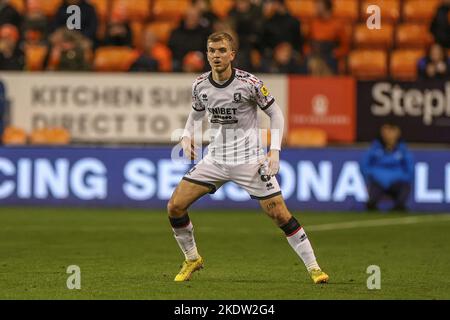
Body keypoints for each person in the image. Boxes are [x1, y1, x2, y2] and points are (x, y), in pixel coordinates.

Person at [167, 32, 329, 284]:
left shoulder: (249, 83)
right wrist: (187, 136)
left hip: (250, 161)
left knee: (280, 215)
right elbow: (196, 112)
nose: (216, 55)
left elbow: (276, 114)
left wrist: (274, 150)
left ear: (232, 54)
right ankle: (192, 258)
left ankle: (315, 268)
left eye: (221, 50)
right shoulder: (200, 85)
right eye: (211, 51)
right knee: (175, 206)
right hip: (215, 160)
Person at [360, 123, 414, 212]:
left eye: (391, 131)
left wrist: (399, 177)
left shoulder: (403, 150)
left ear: (397, 132)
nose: (388, 134)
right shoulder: (374, 148)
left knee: (405, 187)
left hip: (398, 183)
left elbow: (410, 169)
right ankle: (372, 204)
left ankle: (400, 205)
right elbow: (365, 165)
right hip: (378, 182)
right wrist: (373, 175)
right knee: (371, 203)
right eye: (386, 131)